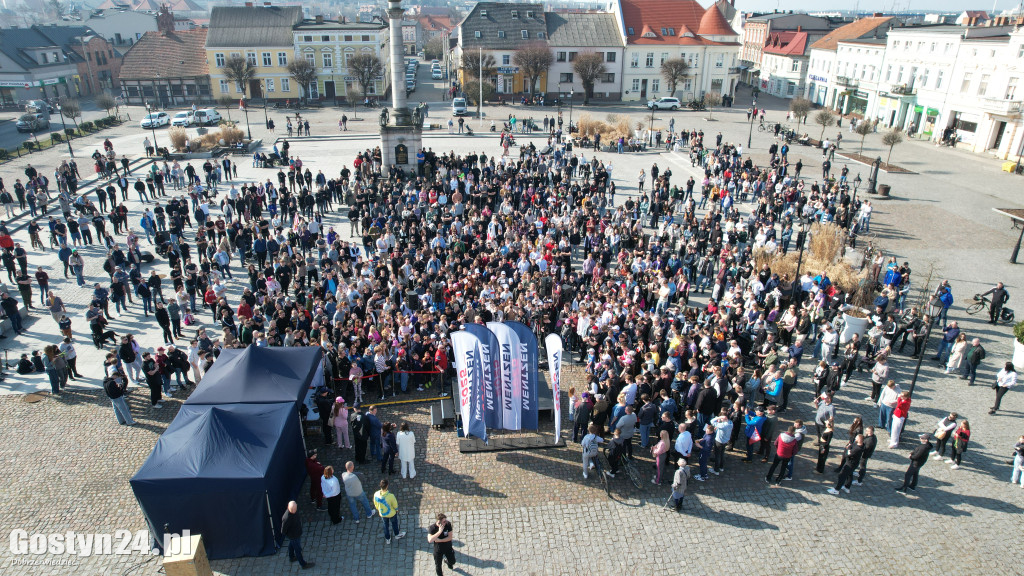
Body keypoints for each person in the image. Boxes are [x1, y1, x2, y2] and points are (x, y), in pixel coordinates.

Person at [281, 501, 315, 569]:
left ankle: (291, 557)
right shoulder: (286, 518)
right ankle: (303, 565)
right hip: (294, 535)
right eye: (294, 510)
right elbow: (283, 530)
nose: (295, 510)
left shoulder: (292, 511)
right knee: (298, 550)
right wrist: (289, 535)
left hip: (295, 534)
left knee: (291, 544)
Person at [372, 479, 406, 544]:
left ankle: (387, 538)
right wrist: (396, 510)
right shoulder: (390, 496)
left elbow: (375, 503)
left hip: (383, 514)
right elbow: (395, 505)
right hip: (391, 513)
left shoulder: (376, 494)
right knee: (394, 524)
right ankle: (397, 534)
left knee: (385, 526)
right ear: (387, 486)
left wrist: (378, 509)